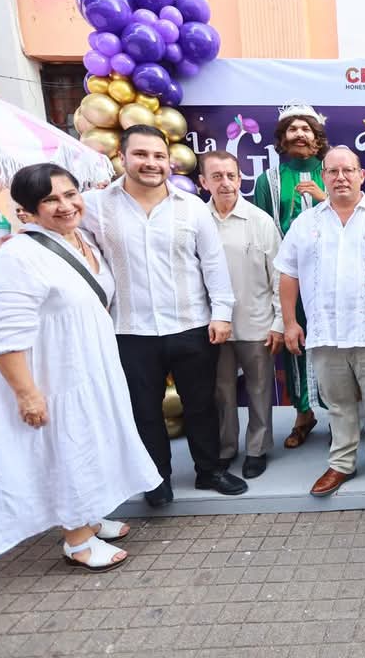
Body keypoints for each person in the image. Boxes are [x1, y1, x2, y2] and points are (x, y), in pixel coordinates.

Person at [0, 163, 160, 568]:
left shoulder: (80, 238)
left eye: (70, 194)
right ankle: (76, 539)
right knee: (64, 449)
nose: (65, 205)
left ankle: (87, 516)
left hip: (87, 369)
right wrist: (27, 394)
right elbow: (2, 337)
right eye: (50, 200)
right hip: (53, 377)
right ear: (27, 210)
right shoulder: (16, 257)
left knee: (88, 443)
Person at [82, 125, 245, 506]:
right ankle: (156, 478)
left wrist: (221, 314)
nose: (151, 163)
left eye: (159, 156)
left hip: (191, 325)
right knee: (143, 410)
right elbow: (64, 236)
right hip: (130, 329)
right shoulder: (95, 206)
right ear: (122, 157)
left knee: (202, 404)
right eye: (141, 154)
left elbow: (213, 263)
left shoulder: (191, 207)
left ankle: (210, 470)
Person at [275, 146, 365, 497]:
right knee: (337, 403)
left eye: (348, 170)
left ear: (361, 175)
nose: (340, 177)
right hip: (326, 332)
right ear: (323, 176)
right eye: (333, 171)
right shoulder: (306, 223)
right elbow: (288, 273)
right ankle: (341, 463)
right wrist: (290, 322)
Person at [200, 150, 284, 480]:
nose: (225, 183)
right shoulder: (197, 221)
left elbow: (279, 276)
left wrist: (279, 322)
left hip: (257, 322)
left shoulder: (259, 221)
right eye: (217, 176)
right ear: (203, 181)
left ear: (240, 178)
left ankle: (257, 449)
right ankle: (225, 449)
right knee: (221, 392)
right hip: (212, 326)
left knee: (259, 389)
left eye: (231, 176)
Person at [252, 104, 329, 451]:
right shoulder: (268, 180)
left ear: (317, 137)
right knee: (295, 341)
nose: (299, 134)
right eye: (292, 129)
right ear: (282, 138)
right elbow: (263, 233)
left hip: (331, 276)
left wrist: (323, 197)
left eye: (305, 129)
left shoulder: (332, 173)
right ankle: (303, 414)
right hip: (290, 278)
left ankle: (343, 416)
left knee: (336, 345)